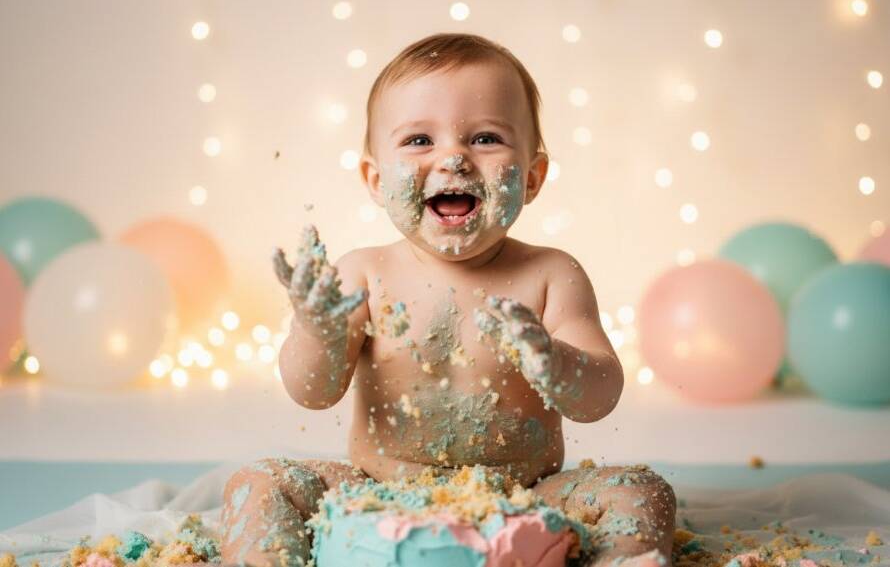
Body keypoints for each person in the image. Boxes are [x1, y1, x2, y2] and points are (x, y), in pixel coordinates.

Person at [220, 33, 675, 567]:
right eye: (418, 141)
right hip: (376, 494)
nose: (454, 158)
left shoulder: (551, 275)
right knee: (262, 481)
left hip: (524, 499)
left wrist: (558, 365)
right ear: (374, 178)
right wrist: (316, 332)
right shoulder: (363, 274)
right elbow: (311, 393)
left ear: (532, 177)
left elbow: (600, 398)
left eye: (485, 138)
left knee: (641, 489)